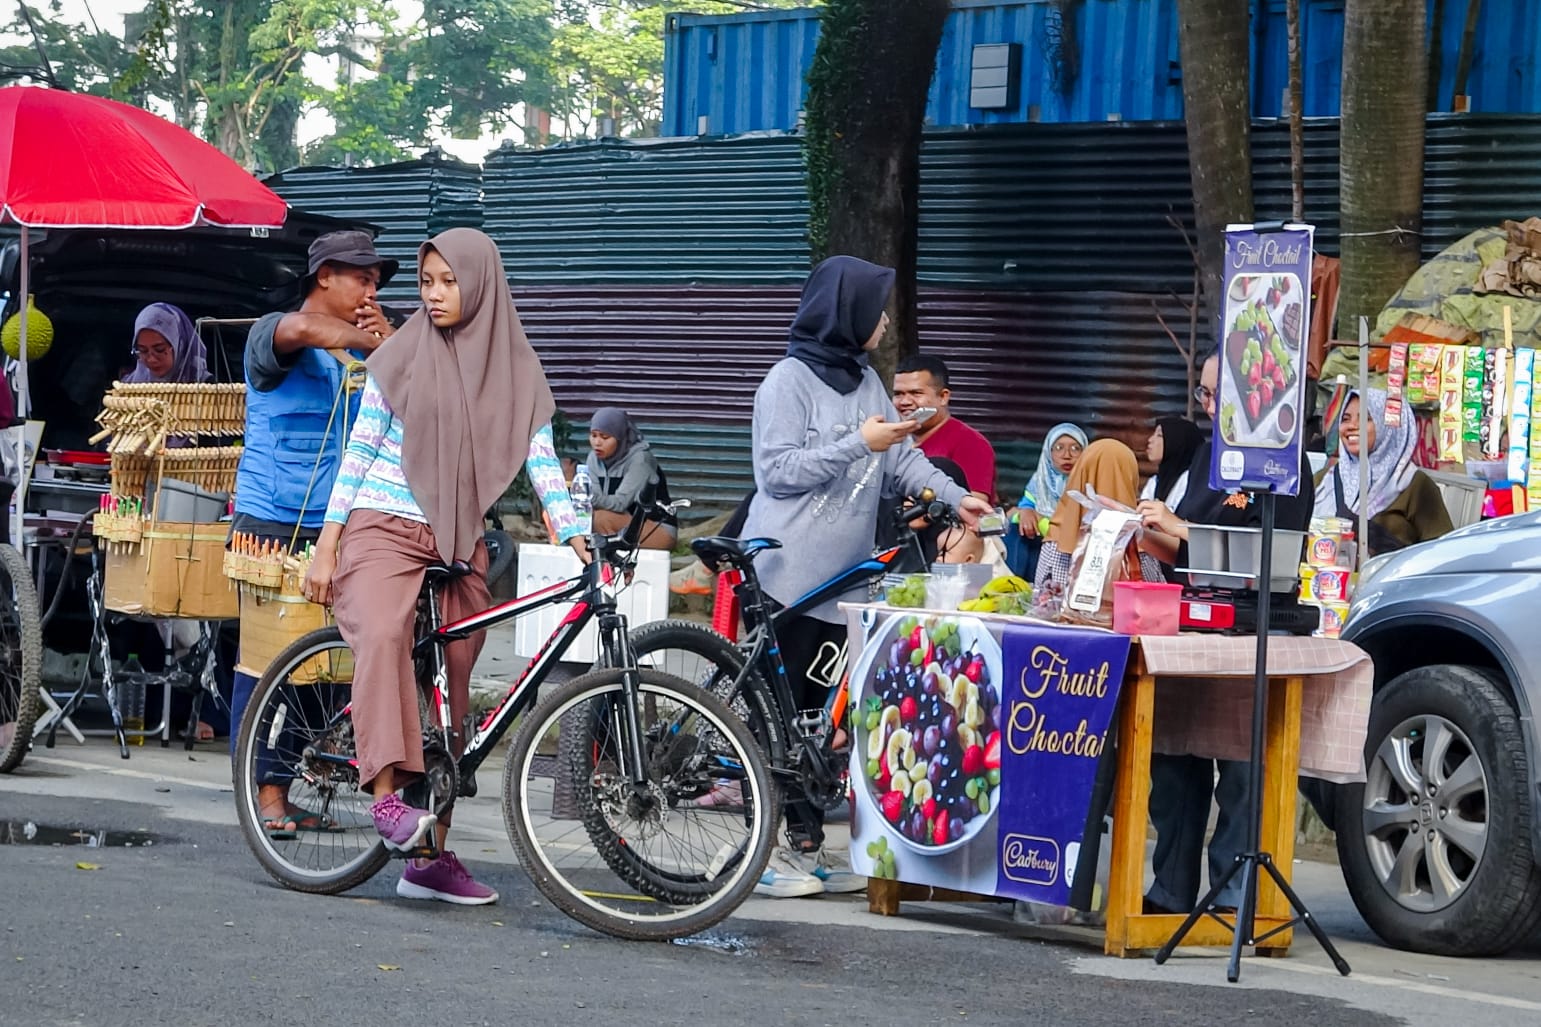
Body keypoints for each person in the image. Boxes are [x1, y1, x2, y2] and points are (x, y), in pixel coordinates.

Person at [303, 228, 585, 907]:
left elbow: (540, 458)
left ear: (480, 282)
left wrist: (573, 531)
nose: (432, 294)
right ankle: (384, 800)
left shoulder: (514, 367)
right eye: (426, 282)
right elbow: (362, 449)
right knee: (383, 631)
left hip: (456, 539)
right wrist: (327, 540)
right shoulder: (399, 356)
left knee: (455, 690)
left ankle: (428, 855)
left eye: (446, 281)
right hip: (380, 525)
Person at [740, 254, 990, 899]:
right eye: (875, 309)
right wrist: (860, 444)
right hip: (786, 577)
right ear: (845, 312)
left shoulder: (868, 383)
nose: (883, 321)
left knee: (816, 725)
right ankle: (758, 856)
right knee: (776, 717)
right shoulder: (787, 381)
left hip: (844, 583)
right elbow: (778, 472)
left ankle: (803, 846)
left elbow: (904, 459)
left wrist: (952, 495)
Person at [1134, 349, 1316, 917]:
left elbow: (1266, 555)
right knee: (1173, 760)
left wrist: (1178, 526)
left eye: (1217, 396)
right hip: (1188, 621)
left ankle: (1233, 898)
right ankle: (1169, 890)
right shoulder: (1208, 452)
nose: (1208, 407)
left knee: (1240, 772)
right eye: (1205, 396)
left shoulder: (1282, 461)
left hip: (1252, 628)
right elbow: (1184, 550)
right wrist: (1138, 529)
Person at [230, 229, 400, 837]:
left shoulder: (365, 347)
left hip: (341, 526)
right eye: (363, 278)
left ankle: (286, 780)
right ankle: (265, 796)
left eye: (377, 281)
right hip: (271, 524)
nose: (371, 290)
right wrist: (373, 341)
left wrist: (391, 344)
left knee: (326, 671)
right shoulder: (274, 332)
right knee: (266, 665)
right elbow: (303, 333)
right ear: (324, 275)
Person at [1313, 388, 1452, 555]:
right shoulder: (1324, 481)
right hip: (1327, 580)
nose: (1351, 426)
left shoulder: (1414, 485)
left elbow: (1442, 552)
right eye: (1345, 419)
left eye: (1365, 419)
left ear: (1388, 427)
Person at [1032, 439, 1166, 598]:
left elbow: (1043, 599)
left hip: (1068, 620)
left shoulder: (1059, 536)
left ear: (1080, 472)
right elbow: (1156, 595)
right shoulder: (1140, 539)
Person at [891, 354, 997, 499]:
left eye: (916, 393)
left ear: (943, 397)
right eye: (898, 394)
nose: (904, 402)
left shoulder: (971, 443)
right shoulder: (891, 440)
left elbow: (974, 508)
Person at [586, 407, 677, 549]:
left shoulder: (640, 459)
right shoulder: (593, 458)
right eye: (593, 435)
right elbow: (594, 499)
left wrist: (586, 496)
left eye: (605, 437)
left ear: (620, 437)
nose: (597, 443)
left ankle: (611, 563)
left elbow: (620, 503)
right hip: (622, 522)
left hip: (656, 529)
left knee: (600, 519)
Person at [1007, 423, 1087, 580]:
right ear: (1048, 453)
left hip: (1073, 552)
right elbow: (1025, 506)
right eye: (1059, 448)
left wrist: (1043, 521)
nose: (1067, 455)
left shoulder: (1089, 484)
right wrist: (1026, 513)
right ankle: (1014, 585)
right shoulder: (1040, 481)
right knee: (1015, 530)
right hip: (1039, 546)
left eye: (1075, 448)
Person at [124, 303, 209, 385]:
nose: (151, 359)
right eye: (143, 351)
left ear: (179, 346)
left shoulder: (207, 387)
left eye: (159, 349)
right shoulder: (127, 388)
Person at [1138, 417, 1203, 509]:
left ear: (1177, 441)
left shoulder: (1191, 482)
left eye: (1159, 435)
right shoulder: (1155, 481)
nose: (1150, 440)